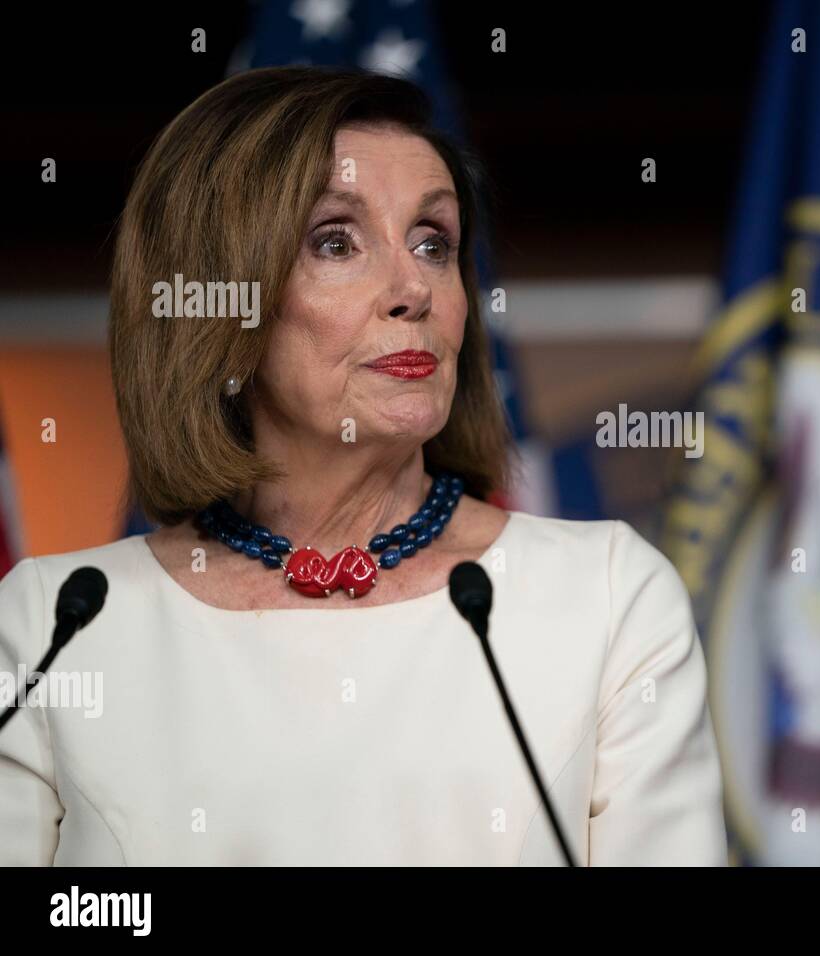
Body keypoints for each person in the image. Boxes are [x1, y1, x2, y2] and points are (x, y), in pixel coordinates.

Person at [0, 67, 726, 866]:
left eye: (433, 243)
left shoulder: (609, 599)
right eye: (336, 242)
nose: (413, 286)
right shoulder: (55, 625)